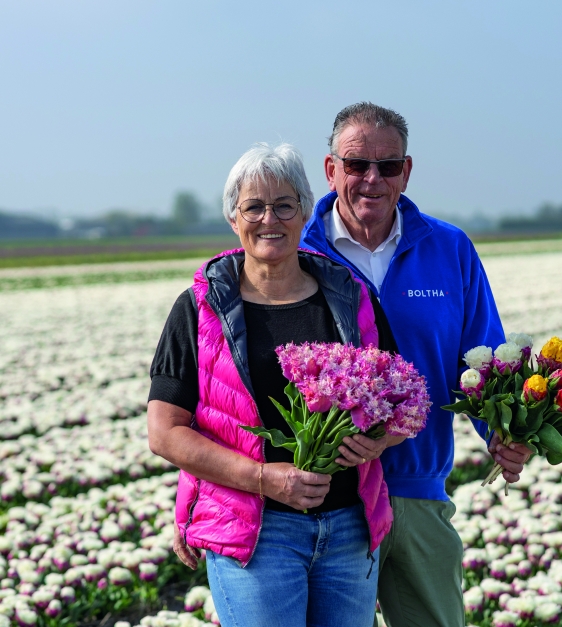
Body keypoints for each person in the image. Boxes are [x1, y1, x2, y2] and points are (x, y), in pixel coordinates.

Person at [147, 143, 399, 627]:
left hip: (348, 527)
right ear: (233, 218)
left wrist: (377, 440)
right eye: (254, 207)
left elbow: (400, 402)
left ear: (305, 212)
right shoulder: (199, 309)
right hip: (254, 532)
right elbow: (165, 433)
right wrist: (265, 479)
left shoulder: (350, 298)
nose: (270, 219)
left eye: (284, 205)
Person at [300, 102, 532, 627]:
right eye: (357, 164)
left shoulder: (449, 249)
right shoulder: (297, 251)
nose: (372, 179)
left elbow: (483, 363)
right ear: (331, 169)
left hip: (417, 492)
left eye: (387, 165)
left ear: (407, 171)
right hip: (324, 500)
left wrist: (501, 431)